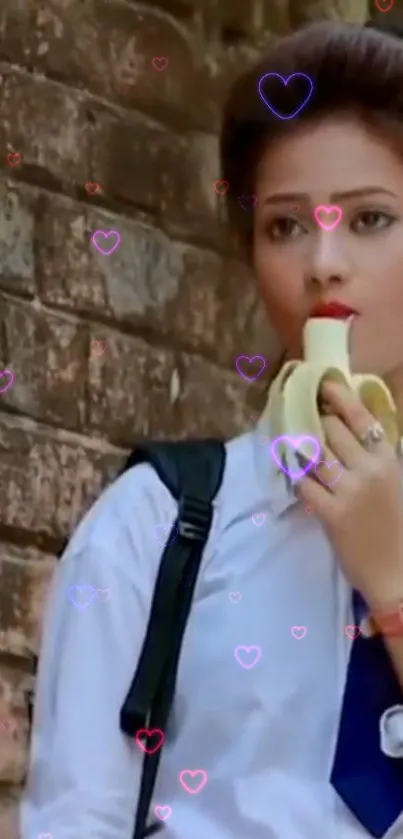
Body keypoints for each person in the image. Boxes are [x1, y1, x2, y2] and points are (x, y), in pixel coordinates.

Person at [20, 18, 403, 839]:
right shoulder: (158, 525)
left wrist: (395, 584)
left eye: (370, 219)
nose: (323, 262)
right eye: (285, 224)